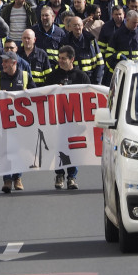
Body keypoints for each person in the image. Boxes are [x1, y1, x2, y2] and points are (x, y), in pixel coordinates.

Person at [47, 45, 89, 189]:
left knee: (73, 148)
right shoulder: (52, 76)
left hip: (75, 121)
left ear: (72, 59)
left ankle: (72, 177)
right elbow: (44, 96)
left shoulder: (81, 77)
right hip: (57, 120)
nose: (60, 61)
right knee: (58, 147)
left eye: (64, 58)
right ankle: (59, 175)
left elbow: (88, 97)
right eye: (59, 58)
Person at [0, 51, 37, 192]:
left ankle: (17, 177)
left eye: (6, 62)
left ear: (14, 62)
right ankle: (7, 180)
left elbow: (36, 93)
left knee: (19, 149)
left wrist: (27, 93)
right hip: (3, 119)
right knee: (5, 150)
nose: (3, 64)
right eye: (3, 62)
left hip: (21, 121)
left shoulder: (25, 76)